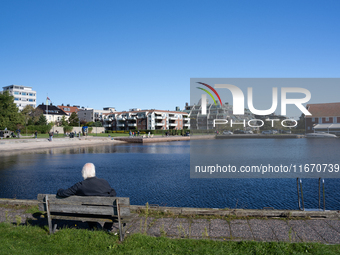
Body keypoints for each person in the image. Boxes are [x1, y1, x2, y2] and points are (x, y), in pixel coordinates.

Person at [57, 163, 117, 230]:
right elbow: (113, 193)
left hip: (89, 212)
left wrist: (59, 190)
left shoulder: (80, 185)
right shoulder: (104, 182)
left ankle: (93, 228)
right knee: (113, 209)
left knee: (88, 208)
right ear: (94, 171)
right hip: (105, 212)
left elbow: (64, 193)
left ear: (84, 173)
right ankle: (106, 228)